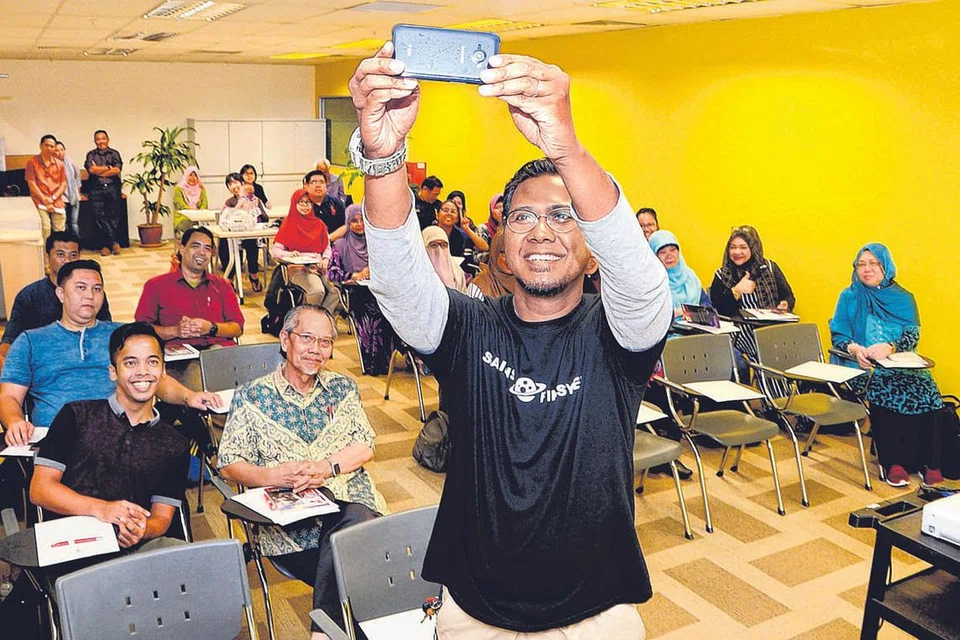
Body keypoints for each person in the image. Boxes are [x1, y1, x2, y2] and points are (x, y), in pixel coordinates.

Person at [350, 43, 671, 638]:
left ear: (592, 244)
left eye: (563, 215)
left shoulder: (621, 334)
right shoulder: (468, 327)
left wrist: (565, 147)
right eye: (522, 217)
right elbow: (396, 278)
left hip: (596, 611)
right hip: (476, 611)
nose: (542, 231)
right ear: (500, 242)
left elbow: (641, 276)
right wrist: (384, 154)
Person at [217, 305, 388, 639]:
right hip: (291, 523)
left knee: (354, 524)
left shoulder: (343, 388)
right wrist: (273, 476)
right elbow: (228, 463)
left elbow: (365, 445)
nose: (316, 349)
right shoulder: (252, 396)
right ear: (285, 339)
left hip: (350, 502)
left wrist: (326, 468)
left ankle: (322, 634)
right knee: (359, 573)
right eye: (307, 338)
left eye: (325, 342)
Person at [0, 260, 221, 447]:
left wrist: (189, 396)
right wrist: (15, 422)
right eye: (81, 288)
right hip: (59, 440)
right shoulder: (31, 341)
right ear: (60, 293)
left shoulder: (123, 334)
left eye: (97, 289)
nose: (90, 296)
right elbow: (9, 396)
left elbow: (155, 380)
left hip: (121, 436)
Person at [29, 323, 190, 578]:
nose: (142, 372)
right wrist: (102, 509)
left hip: (136, 551)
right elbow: (40, 489)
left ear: (163, 371)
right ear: (113, 372)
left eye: (152, 362)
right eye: (130, 363)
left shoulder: (175, 443)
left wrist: (142, 529)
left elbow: (162, 517)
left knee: (194, 571)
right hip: (76, 548)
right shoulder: (76, 415)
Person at [829, 243, 943, 487]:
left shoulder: (903, 298)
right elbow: (838, 337)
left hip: (900, 361)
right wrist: (855, 349)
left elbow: (912, 336)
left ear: (886, 266)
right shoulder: (849, 296)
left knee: (927, 388)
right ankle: (893, 462)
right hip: (864, 366)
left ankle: (929, 461)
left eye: (874, 263)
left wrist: (890, 347)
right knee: (885, 386)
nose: (867, 269)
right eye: (861, 264)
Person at [0, 231, 112, 373]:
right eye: (60, 254)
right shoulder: (30, 295)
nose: (67, 260)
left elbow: (105, 333)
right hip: (42, 367)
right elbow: (9, 341)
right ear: (47, 257)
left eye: (73, 255)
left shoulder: (92, 295)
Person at [135, 226, 243, 353]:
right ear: (182, 249)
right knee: (198, 372)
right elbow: (140, 330)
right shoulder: (156, 286)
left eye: (207, 248)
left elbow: (238, 328)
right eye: (195, 246)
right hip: (181, 355)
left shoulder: (222, 285)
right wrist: (175, 331)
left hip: (220, 351)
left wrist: (211, 328)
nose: (202, 252)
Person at [709, 225, 795, 382]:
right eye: (733, 247)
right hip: (739, 330)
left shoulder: (769, 267)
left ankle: (786, 398)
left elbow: (788, 296)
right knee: (766, 351)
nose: (737, 252)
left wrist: (784, 304)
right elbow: (719, 310)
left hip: (770, 327)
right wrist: (736, 291)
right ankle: (774, 401)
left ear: (753, 248)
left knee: (787, 352)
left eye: (743, 247)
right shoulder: (722, 275)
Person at [328, 205, 394, 376]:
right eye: (353, 221)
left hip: (377, 289)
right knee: (372, 313)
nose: (359, 225)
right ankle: (372, 362)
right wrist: (355, 275)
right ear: (347, 223)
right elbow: (332, 273)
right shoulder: (340, 245)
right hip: (354, 293)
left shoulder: (376, 244)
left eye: (362, 220)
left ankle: (386, 360)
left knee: (392, 310)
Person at [271, 189, 340, 314]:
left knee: (336, 289)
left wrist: (325, 259)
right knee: (317, 290)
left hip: (319, 266)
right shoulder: (288, 224)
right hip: (298, 268)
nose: (305, 206)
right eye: (301, 202)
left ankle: (323, 319)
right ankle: (309, 321)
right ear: (294, 204)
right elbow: (275, 250)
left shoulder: (319, 224)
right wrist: (289, 254)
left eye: (308, 202)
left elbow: (327, 248)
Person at [649, 230, 711, 313]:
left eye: (673, 250)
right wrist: (675, 314)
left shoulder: (690, 276)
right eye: (662, 252)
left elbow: (707, 307)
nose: (669, 255)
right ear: (654, 256)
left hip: (695, 324)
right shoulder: (652, 282)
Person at [84, 129, 124, 256]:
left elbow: (117, 170)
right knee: (99, 216)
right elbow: (91, 170)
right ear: (95, 141)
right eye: (98, 139)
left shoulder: (114, 153)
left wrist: (99, 170)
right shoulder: (91, 154)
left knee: (113, 217)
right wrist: (108, 168)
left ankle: (107, 246)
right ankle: (113, 242)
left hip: (113, 187)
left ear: (108, 139)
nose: (101, 141)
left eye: (103, 138)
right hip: (96, 189)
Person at [24, 134, 67, 241]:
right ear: (41, 146)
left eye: (52, 146)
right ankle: (45, 256)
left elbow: (63, 184)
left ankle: (58, 254)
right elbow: (32, 184)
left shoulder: (60, 164)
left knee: (60, 230)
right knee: (45, 228)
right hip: (39, 200)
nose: (49, 148)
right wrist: (45, 200)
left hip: (56, 200)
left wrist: (52, 199)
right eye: (46, 145)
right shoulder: (32, 162)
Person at [465, 230, 514, 299]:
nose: (511, 259)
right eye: (505, 254)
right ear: (495, 253)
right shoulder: (479, 287)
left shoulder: (525, 284)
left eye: (516, 254)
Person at [304, 169, 347, 242]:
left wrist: (329, 238)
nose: (318, 185)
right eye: (314, 182)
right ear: (306, 186)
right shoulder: (302, 205)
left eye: (322, 182)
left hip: (334, 243)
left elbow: (346, 225)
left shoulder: (336, 203)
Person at [422, 226, 467, 293]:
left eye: (443, 245)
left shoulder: (457, 272)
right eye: (434, 245)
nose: (439, 250)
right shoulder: (417, 273)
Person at [172, 166, 209, 240]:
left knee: (205, 227)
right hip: (183, 217)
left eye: (195, 175)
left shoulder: (201, 189)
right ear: (186, 176)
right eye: (190, 175)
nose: (193, 178)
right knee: (193, 226)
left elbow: (204, 204)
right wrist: (192, 212)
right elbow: (180, 205)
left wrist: (199, 213)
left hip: (199, 217)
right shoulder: (179, 189)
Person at [54, 141, 82, 236]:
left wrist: (78, 192)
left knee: (74, 223)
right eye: (57, 150)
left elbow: (77, 176)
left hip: (74, 196)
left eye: (62, 150)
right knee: (64, 223)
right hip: (61, 198)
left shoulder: (69, 161)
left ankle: (77, 245)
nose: (60, 152)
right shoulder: (53, 164)